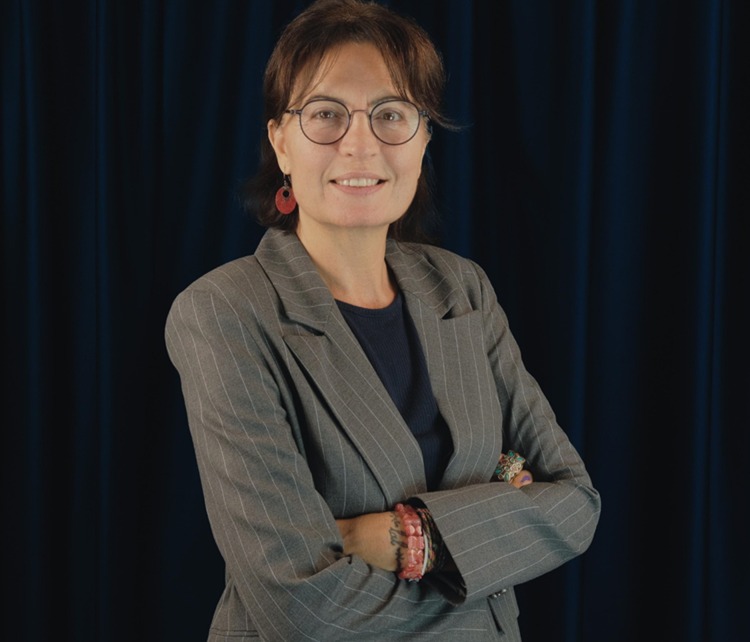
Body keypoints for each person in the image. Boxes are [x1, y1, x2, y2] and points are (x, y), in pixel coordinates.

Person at [165, 1, 601, 640]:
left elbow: (575, 503)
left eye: (391, 114)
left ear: (423, 140)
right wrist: (486, 547)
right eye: (325, 114)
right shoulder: (223, 312)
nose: (360, 143)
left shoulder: (464, 290)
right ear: (280, 143)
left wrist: (414, 537)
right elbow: (301, 606)